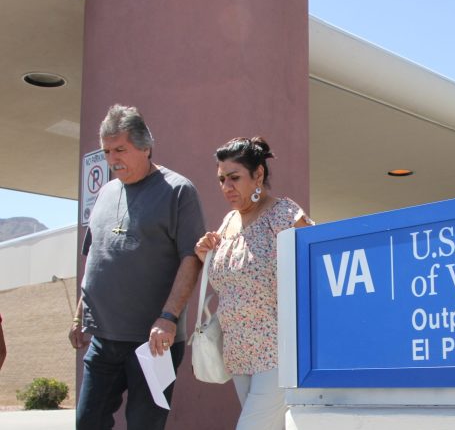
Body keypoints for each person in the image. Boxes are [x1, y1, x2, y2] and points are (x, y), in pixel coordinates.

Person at [69, 104, 205, 430]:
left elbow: (192, 257)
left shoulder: (178, 191)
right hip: (103, 340)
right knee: (87, 422)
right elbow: (95, 259)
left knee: (145, 425)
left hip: (154, 343)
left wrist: (169, 317)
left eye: (120, 149)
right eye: (106, 151)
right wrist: (79, 316)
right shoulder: (105, 193)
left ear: (145, 147)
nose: (112, 159)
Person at [194, 137, 312, 430]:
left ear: (258, 175)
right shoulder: (228, 222)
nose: (226, 187)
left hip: (278, 353)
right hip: (239, 354)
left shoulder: (283, 214)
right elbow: (231, 280)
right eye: (221, 179)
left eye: (234, 178)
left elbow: (318, 262)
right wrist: (205, 254)